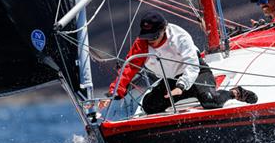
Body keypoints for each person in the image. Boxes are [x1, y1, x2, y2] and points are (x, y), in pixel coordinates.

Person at [109, 11, 257, 114]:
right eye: (147, 37)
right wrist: (117, 90)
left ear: (164, 29)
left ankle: (235, 92)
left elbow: (192, 65)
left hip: (197, 73)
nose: (151, 41)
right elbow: (130, 67)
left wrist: (181, 86)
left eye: (154, 36)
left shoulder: (179, 37)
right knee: (149, 106)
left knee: (211, 101)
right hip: (172, 80)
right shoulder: (141, 43)